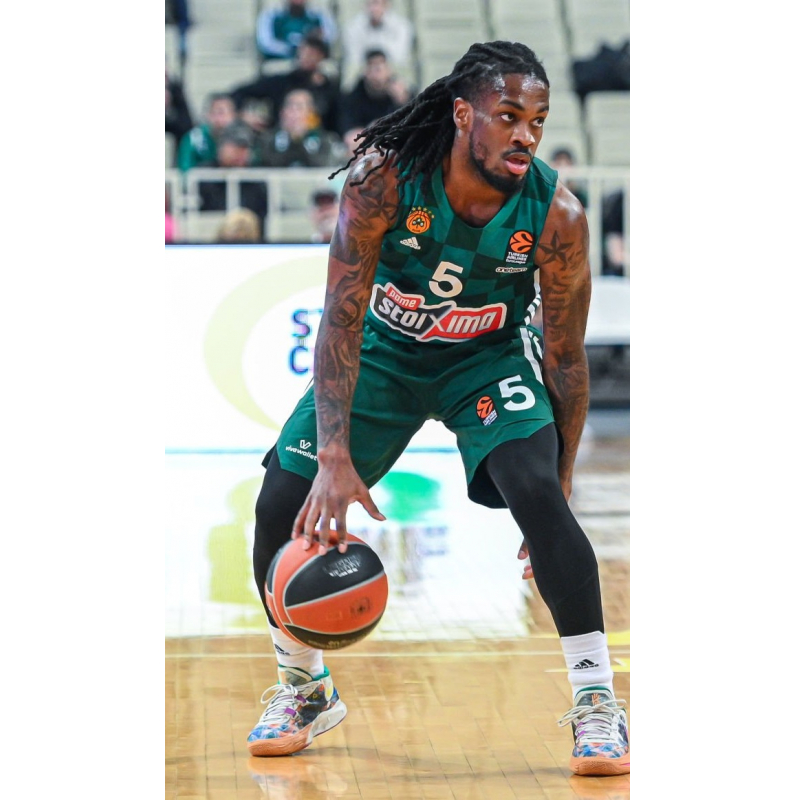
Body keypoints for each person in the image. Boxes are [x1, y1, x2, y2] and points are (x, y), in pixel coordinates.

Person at [246, 41, 630, 777]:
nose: (526, 134)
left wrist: (563, 477)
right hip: (383, 355)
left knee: (539, 495)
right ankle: (304, 688)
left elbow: (565, 359)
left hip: (483, 361)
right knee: (279, 504)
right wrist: (333, 455)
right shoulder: (384, 179)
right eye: (508, 116)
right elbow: (341, 316)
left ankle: (597, 702)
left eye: (538, 120)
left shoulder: (557, 216)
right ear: (462, 114)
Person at [230, 34, 342, 136]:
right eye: (303, 53)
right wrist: (243, 115)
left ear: (321, 57)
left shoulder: (330, 90)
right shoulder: (280, 83)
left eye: (311, 54)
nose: (305, 58)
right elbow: (239, 93)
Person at [258, 89, 345, 168]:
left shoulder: (326, 140)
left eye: (299, 107)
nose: (293, 113)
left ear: (311, 113)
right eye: (289, 106)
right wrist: (290, 138)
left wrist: (300, 139)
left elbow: (326, 166)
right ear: (282, 112)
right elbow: (265, 165)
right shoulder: (267, 139)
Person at [337, 49, 412, 135]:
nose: (376, 75)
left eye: (379, 69)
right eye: (372, 68)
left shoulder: (402, 93)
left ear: (389, 70)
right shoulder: (353, 97)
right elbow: (346, 127)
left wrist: (402, 101)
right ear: (365, 71)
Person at [341, 0, 414, 76]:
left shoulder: (402, 26)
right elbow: (355, 58)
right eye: (370, 4)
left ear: (386, 5)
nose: (374, 9)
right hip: (364, 73)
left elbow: (398, 57)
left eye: (377, 4)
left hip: (391, 72)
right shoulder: (352, 27)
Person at [256, 0, 337, 62]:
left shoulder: (317, 15)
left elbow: (330, 36)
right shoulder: (271, 15)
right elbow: (266, 43)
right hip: (281, 61)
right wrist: (293, 50)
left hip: (313, 62)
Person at [177, 93, 237, 172]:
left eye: (222, 113)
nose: (219, 119)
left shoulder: (242, 139)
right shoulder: (194, 139)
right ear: (208, 115)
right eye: (215, 113)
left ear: (233, 115)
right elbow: (185, 170)